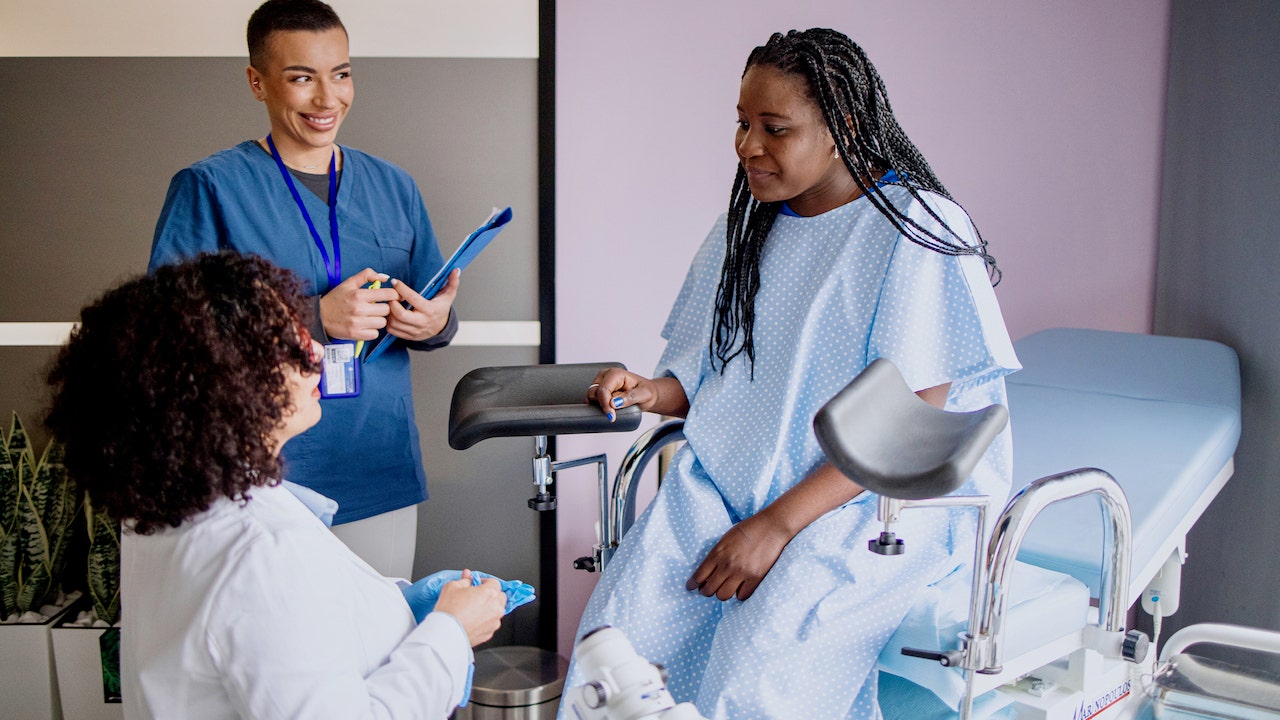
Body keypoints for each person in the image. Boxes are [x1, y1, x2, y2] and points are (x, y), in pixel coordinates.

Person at [563, 29, 1020, 719]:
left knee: (757, 680)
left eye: (774, 129)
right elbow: (703, 371)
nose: (748, 145)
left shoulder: (915, 231)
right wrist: (648, 390)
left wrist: (776, 526)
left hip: (875, 502)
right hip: (734, 481)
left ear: (844, 128)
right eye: (742, 124)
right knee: (620, 642)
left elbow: (909, 434)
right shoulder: (743, 230)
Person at [45, 252, 508, 718]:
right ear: (222, 388)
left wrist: (396, 604)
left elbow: (270, 628)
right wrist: (450, 632)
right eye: (286, 346)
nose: (317, 354)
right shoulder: (263, 550)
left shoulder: (173, 504)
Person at [149, 0, 455, 577]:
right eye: (301, 78)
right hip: (260, 479)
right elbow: (168, 334)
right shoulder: (210, 187)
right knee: (274, 659)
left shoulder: (394, 187)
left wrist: (435, 325)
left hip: (376, 468)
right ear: (256, 83)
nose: (327, 98)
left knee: (382, 651)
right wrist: (313, 319)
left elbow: (434, 306)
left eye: (341, 74)